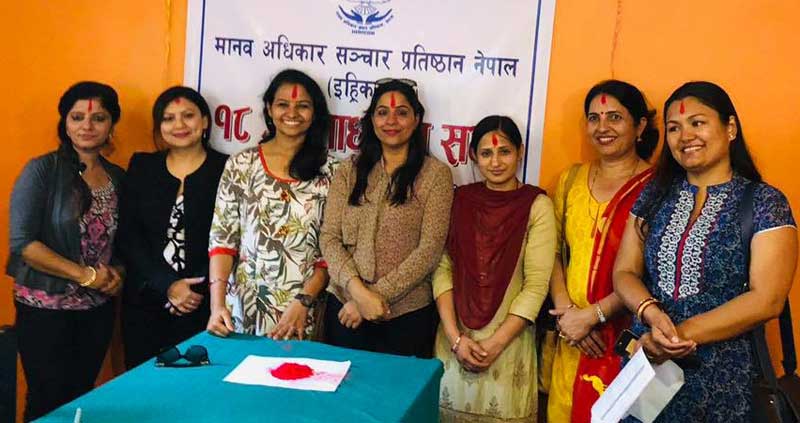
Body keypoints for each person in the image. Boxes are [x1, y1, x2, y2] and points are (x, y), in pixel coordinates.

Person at [613, 81, 797, 422]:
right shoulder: (655, 194)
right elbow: (624, 271)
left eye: (697, 123)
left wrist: (676, 336)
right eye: (674, 128)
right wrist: (650, 313)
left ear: (730, 128)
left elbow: (767, 299)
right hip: (649, 369)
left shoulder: (765, 202)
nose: (685, 136)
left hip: (725, 380)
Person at [7, 81, 125, 421]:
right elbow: (23, 243)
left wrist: (117, 275)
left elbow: (120, 242)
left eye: (98, 118)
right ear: (65, 123)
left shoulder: (118, 177)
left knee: (81, 396)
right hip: (45, 307)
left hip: (97, 310)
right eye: (77, 118)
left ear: (111, 125)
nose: (87, 126)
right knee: (47, 401)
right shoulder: (42, 170)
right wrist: (85, 276)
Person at [547, 80, 658, 422]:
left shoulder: (658, 188)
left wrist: (592, 316)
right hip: (571, 338)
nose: (602, 127)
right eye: (594, 118)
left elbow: (655, 271)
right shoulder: (570, 180)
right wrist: (568, 315)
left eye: (615, 117)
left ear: (640, 126)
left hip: (628, 340)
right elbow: (552, 252)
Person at [434, 115, 556, 422]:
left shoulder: (537, 205)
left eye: (505, 152)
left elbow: (536, 284)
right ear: (473, 156)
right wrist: (455, 338)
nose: (496, 162)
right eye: (486, 153)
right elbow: (443, 267)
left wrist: (495, 344)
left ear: (520, 152)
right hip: (454, 338)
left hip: (508, 344)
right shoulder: (460, 200)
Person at [320, 79, 453, 358]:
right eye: (382, 113)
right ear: (371, 119)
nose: (391, 121)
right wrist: (359, 294)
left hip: (406, 316)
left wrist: (374, 298)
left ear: (417, 119)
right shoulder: (349, 171)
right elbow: (329, 238)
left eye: (402, 113)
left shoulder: (435, 175)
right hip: (345, 310)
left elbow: (430, 250)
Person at [206, 69, 336, 339]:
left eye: (303, 106)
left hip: (302, 312)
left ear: (315, 113)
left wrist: (304, 302)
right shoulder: (242, 164)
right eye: (283, 104)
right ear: (269, 108)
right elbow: (223, 240)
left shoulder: (332, 172)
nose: (292, 113)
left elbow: (332, 250)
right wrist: (217, 305)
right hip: (242, 309)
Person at [118, 86, 227, 368]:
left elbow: (230, 237)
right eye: (168, 118)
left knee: (198, 384)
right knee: (144, 384)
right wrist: (167, 285)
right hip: (145, 299)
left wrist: (192, 292)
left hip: (204, 303)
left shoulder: (227, 168)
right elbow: (129, 235)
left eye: (188, 115)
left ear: (205, 121)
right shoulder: (142, 166)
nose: (179, 125)